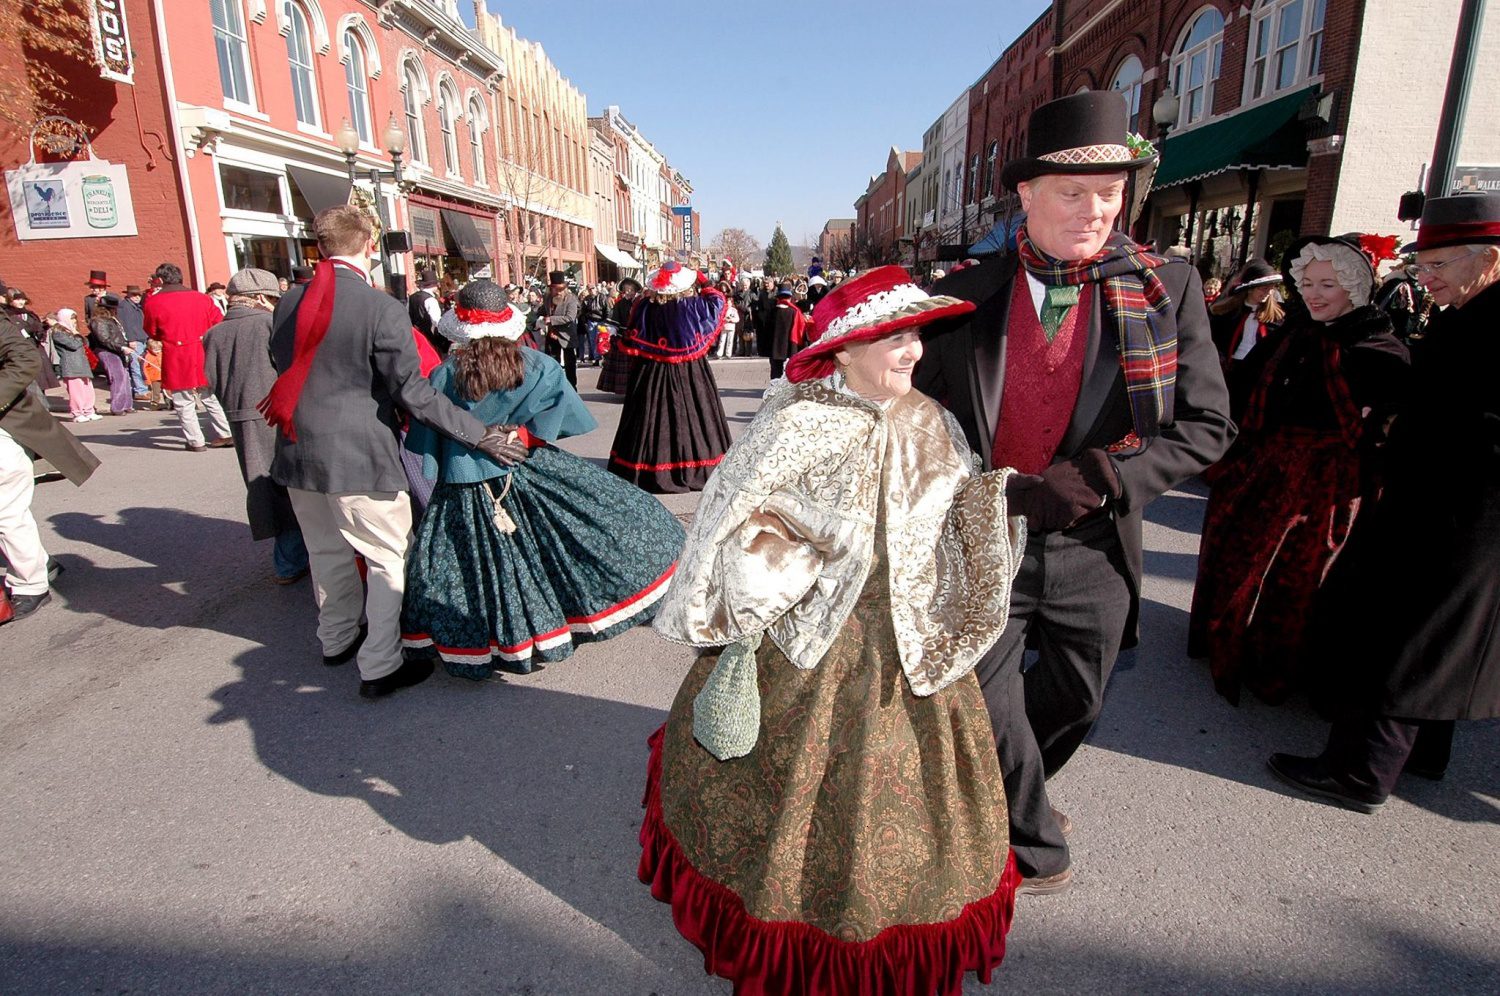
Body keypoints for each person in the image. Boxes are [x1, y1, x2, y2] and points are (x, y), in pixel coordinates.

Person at [642, 266, 1025, 995]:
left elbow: (953, 513)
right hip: (806, 638)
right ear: (845, 351)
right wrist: (772, 571)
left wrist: (1000, 500)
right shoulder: (797, 422)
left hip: (913, 640)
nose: (910, 351)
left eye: (914, 334)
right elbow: (727, 519)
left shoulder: (934, 421)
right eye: (892, 338)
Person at [914, 90, 1234, 894]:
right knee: (984, 704)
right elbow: (912, 417)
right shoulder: (963, 295)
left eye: (1110, 193)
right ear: (1026, 194)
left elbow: (1207, 425)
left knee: (1077, 698)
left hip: (1096, 542)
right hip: (983, 533)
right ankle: (1030, 838)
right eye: (1072, 192)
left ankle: (1011, 791)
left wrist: (1104, 476)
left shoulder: (1167, 288)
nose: (1095, 210)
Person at [1268, 193, 1500, 812]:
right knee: (1444, 638)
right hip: (1458, 509)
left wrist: (1401, 428)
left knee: (1399, 635)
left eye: (1440, 266)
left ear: (1489, 261)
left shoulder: (1489, 324)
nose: (1425, 279)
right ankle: (1421, 755)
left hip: (1453, 511)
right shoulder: (1471, 315)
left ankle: (1359, 772)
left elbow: (1474, 424)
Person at [261, 204, 522, 700]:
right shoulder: (378, 306)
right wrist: (477, 432)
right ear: (366, 248)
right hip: (358, 453)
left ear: (321, 247)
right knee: (387, 556)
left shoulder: (288, 302)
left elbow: (286, 366)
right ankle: (380, 662)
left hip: (297, 447)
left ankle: (336, 638)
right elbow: (414, 393)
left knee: (325, 550)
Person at [400, 280, 684, 677]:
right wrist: (522, 435)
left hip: (464, 481)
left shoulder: (444, 375)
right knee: (566, 538)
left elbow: (425, 436)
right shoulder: (537, 364)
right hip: (526, 465)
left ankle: (500, 639)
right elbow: (558, 418)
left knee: (469, 564)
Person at [1188, 237, 1409, 706]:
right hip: (1268, 465)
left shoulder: (1377, 346)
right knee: (1239, 552)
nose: (1315, 293)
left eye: (1328, 284)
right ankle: (1233, 644)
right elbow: (1251, 388)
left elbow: (1391, 419)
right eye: (1307, 283)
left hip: (1330, 483)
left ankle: (1282, 667)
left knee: (1300, 573)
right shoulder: (1295, 333)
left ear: (1354, 286)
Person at [203, 268, 309, 585]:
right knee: (289, 487)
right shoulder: (267, 323)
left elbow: (211, 381)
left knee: (264, 488)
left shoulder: (214, 334)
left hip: (240, 417)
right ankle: (291, 560)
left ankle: (290, 559)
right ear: (261, 298)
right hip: (276, 413)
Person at [0, 316, 100, 623]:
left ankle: (31, 584)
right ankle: (39, 563)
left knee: (4, 510)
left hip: (5, 426)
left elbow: (24, 357)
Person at [607, 262, 732, 493]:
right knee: (695, 414)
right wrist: (701, 279)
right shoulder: (693, 307)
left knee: (651, 417)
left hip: (650, 372)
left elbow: (630, 336)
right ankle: (695, 465)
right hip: (689, 371)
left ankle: (648, 467)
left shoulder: (644, 306)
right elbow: (718, 300)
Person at [142, 262, 234, 452]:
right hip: (202, 350)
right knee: (209, 396)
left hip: (176, 352)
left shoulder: (154, 301)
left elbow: (151, 330)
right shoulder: (202, 298)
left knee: (183, 400)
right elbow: (218, 322)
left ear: (160, 280)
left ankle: (195, 441)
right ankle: (225, 433)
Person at [1208, 258, 1285, 417]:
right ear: (1250, 289)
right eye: (1263, 289)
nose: (1267, 294)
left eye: (1271, 289)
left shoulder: (1277, 317)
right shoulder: (1226, 313)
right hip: (1232, 367)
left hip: (1260, 370)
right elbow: (1213, 341)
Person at [87, 293, 135, 416]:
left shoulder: (112, 320)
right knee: (117, 377)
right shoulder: (98, 321)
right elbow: (104, 339)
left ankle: (127, 404)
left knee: (125, 376)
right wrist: (122, 347)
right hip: (107, 351)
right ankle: (117, 407)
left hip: (118, 350)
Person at [5, 289, 59, 394]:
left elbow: (39, 333)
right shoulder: (7, 316)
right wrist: (26, 331)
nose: (21, 302)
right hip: (20, 351)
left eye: (23, 299)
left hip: (36, 349)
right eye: (17, 299)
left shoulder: (30, 314)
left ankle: (42, 405)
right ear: (10, 300)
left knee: (40, 382)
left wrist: (42, 329)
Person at [50, 310, 98, 423]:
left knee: (88, 388)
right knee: (76, 391)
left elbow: (86, 343)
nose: (74, 321)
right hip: (71, 365)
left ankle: (89, 411)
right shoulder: (58, 332)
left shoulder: (72, 331)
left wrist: (76, 334)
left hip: (82, 363)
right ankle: (77, 413)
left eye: (74, 318)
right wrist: (76, 334)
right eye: (71, 318)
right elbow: (73, 345)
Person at [597, 277, 640, 395]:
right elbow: (614, 320)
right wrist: (607, 333)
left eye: (631, 289)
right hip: (623, 338)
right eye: (626, 289)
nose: (628, 292)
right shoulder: (620, 303)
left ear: (635, 289)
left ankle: (637, 390)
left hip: (638, 339)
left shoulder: (640, 302)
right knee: (624, 368)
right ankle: (625, 390)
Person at [539, 271, 580, 387]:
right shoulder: (547, 298)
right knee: (552, 363)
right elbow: (543, 311)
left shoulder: (571, 299)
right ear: (551, 289)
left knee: (570, 365)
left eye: (561, 289)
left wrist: (551, 319)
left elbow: (570, 317)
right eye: (556, 289)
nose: (558, 292)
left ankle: (572, 388)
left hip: (566, 336)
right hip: (552, 334)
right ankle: (555, 387)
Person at [761, 285, 804, 380]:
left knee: (775, 372)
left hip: (774, 347)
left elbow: (766, 330)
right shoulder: (793, 312)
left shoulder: (771, 311)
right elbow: (797, 331)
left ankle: (774, 390)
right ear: (789, 298)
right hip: (788, 347)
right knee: (788, 372)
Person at [116, 285, 150, 401]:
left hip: (142, 337)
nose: (137, 297)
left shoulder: (136, 306)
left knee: (141, 365)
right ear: (128, 295)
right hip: (135, 340)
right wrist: (131, 339)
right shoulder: (125, 307)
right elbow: (127, 325)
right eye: (134, 295)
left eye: (138, 295)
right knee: (136, 365)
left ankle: (143, 388)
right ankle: (140, 391)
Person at [408, 269, 445, 357]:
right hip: (429, 335)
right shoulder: (430, 300)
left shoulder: (412, 297)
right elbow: (436, 321)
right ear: (433, 284)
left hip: (415, 334)